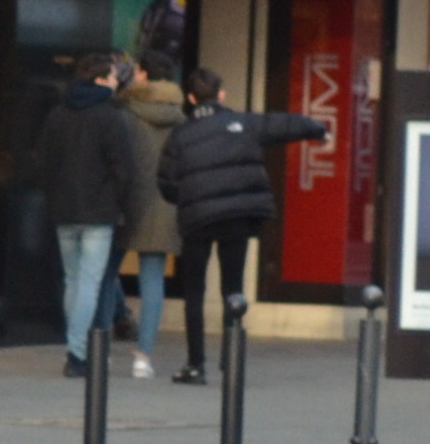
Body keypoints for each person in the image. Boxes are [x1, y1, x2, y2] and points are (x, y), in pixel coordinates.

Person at [157, 68, 324, 384]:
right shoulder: (243, 123)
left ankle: (195, 365)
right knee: (232, 288)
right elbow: (282, 125)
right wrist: (317, 129)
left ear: (191, 99)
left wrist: (192, 198)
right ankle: (231, 361)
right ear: (221, 95)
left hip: (198, 221)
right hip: (237, 218)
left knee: (194, 291)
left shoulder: (180, 135)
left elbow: (166, 185)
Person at [37, 51, 135, 378]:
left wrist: (54, 198)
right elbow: (123, 168)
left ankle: (75, 348)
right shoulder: (110, 116)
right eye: (111, 77)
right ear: (99, 80)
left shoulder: (57, 114)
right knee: (89, 284)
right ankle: (77, 354)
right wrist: (121, 204)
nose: (116, 82)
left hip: (64, 210)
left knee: (73, 281)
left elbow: (45, 164)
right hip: (99, 212)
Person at [118, 52, 186, 381]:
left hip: (125, 203)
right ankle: (143, 356)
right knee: (153, 280)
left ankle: (96, 347)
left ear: (142, 75)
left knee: (103, 276)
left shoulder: (125, 112)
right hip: (165, 206)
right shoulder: (181, 118)